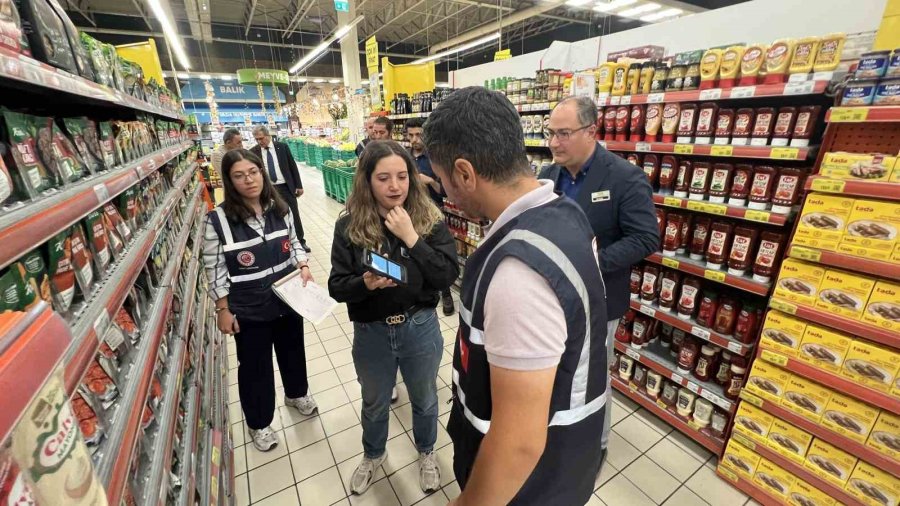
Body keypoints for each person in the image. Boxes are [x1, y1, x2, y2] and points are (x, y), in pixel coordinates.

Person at [425, 87, 608, 505]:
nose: (445, 192)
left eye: (443, 180)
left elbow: (519, 442)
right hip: (567, 464)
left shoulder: (517, 273)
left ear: (466, 173)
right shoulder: (564, 211)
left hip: (530, 487)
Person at [327, 140, 458, 496]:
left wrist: (411, 237)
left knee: (425, 398)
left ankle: (427, 453)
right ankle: (373, 454)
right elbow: (336, 287)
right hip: (371, 334)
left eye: (402, 176)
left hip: (420, 327)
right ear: (367, 181)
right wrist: (365, 283)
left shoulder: (429, 220)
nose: (395, 186)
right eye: (383, 178)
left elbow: (446, 276)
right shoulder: (349, 226)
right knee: (374, 402)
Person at [538, 96, 659, 463]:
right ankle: (555, 433)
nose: (554, 142)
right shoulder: (548, 177)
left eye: (563, 134)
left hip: (599, 300)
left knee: (591, 375)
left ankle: (597, 444)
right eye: (550, 133)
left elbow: (645, 238)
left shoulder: (624, 176)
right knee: (554, 371)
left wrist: (591, 263)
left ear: (591, 132)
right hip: (552, 298)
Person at [202, 149, 318, 453]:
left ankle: (296, 394)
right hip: (249, 306)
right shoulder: (218, 221)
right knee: (255, 366)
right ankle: (259, 422)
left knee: (293, 351)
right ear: (229, 180)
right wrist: (222, 308)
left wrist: (303, 265)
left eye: (253, 172)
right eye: (238, 176)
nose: (248, 180)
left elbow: (294, 243)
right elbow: (214, 268)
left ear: (262, 173)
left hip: (288, 297)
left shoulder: (279, 208)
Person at [406, 117, 455, 316]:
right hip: (410, 215)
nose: (415, 139)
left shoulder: (435, 158)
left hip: (434, 215)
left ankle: (446, 295)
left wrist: (431, 181)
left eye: (419, 135)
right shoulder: (405, 158)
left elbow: (446, 191)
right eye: (411, 135)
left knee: (437, 255)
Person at [251, 125, 311, 253]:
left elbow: (292, 166)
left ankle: (300, 242)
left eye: (261, 138)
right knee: (273, 216)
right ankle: (280, 244)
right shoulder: (253, 152)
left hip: (285, 187)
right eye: (256, 139)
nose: (259, 142)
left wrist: (298, 185)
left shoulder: (282, 147)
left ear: (268, 135)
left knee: (294, 215)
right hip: (268, 189)